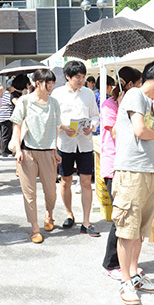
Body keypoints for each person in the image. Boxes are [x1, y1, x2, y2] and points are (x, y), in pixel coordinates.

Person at [112, 61, 154, 303]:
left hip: (148, 171)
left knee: (139, 230)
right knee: (127, 230)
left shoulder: (149, 102)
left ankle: (135, 274)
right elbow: (139, 130)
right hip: (132, 171)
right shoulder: (134, 94)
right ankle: (125, 281)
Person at [10, 68, 62, 244]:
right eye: (47, 83)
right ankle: (35, 228)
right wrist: (17, 150)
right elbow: (16, 126)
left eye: (52, 83)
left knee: (51, 192)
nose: (50, 86)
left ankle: (50, 213)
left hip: (48, 151)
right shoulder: (24, 101)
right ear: (37, 83)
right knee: (29, 193)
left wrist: (55, 151)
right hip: (27, 151)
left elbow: (56, 127)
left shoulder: (54, 103)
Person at [101, 66, 141, 280]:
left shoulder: (131, 102)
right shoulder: (109, 105)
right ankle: (111, 263)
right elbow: (116, 133)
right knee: (120, 218)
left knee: (130, 216)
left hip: (129, 164)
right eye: (138, 83)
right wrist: (121, 105)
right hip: (113, 166)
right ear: (129, 84)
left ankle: (127, 263)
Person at [52, 60, 100, 236]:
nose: (81, 80)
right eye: (77, 77)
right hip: (65, 143)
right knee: (66, 181)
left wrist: (92, 126)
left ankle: (86, 221)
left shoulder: (88, 93)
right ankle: (69, 213)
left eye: (83, 76)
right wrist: (64, 127)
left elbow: (95, 115)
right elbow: (54, 119)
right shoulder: (57, 94)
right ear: (67, 77)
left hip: (85, 143)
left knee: (86, 181)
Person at [0, 74, 29, 157]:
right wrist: (24, 95)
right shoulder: (14, 94)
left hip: (26, 120)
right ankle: (10, 151)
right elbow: (20, 105)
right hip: (16, 120)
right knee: (12, 135)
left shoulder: (28, 94)